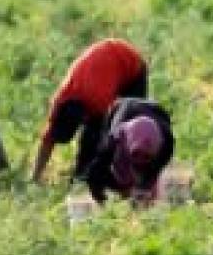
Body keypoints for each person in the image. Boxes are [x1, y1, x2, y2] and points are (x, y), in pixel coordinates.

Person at [32, 38, 149, 183]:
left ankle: (136, 177)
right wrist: (35, 177)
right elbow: (48, 140)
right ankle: (82, 175)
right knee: (92, 134)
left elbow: (111, 137)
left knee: (130, 128)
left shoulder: (99, 101)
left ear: (82, 118)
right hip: (104, 67)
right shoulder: (60, 101)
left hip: (131, 66)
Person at [84, 98, 175, 206]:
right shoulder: (114, 139)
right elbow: (94, 174)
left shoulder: (166, 144)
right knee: (115, 170)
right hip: (122, 108)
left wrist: (145, 189)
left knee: (146, 188)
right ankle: (125, 187)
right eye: (136, 154)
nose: (140, 159)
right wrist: (103, 200)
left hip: (156, 111)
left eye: (146, 156)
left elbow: (154, 172)